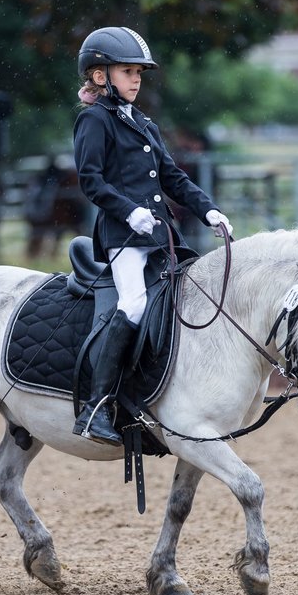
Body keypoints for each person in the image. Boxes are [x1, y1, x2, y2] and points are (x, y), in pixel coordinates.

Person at [71, 26, 232, 445]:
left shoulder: (143, 123)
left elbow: (173, 177)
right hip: (123, 238)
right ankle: (96, 408)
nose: (137, 79)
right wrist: (129, 212)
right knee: (135, 303)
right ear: (101, 76)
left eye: (139, 72)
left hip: (160, 236)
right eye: (128, 71)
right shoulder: (94, 120)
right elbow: (91, 181)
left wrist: (208, 208)